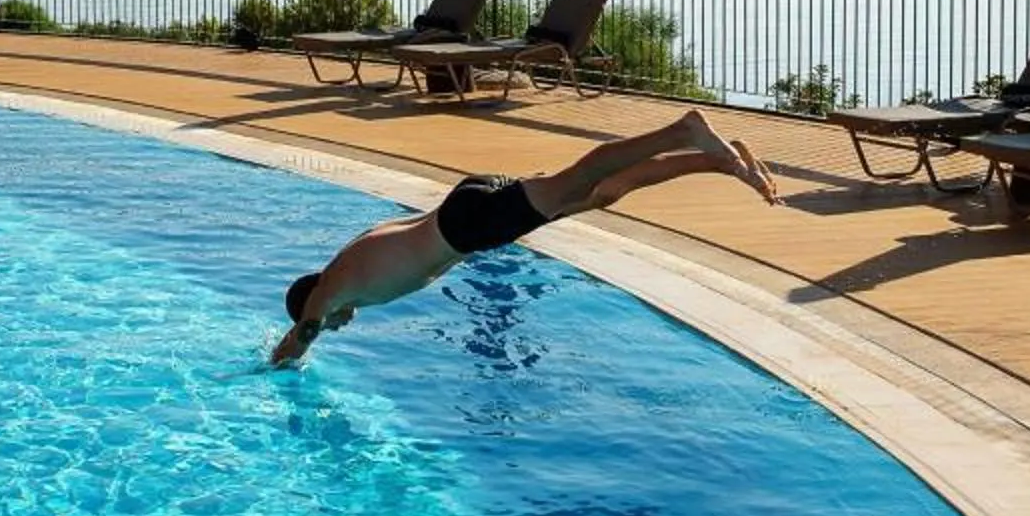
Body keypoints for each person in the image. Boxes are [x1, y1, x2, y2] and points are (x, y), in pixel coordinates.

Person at [271, 112, 779, 365]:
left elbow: (301, 338)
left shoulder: (328, 291)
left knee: (583, 178)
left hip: (469, 226)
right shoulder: (355, 252)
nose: (338, 326)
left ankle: (682, 131)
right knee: (602, 193)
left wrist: (271, 364)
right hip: (466, 205)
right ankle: (716, 160)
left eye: (327, 322)